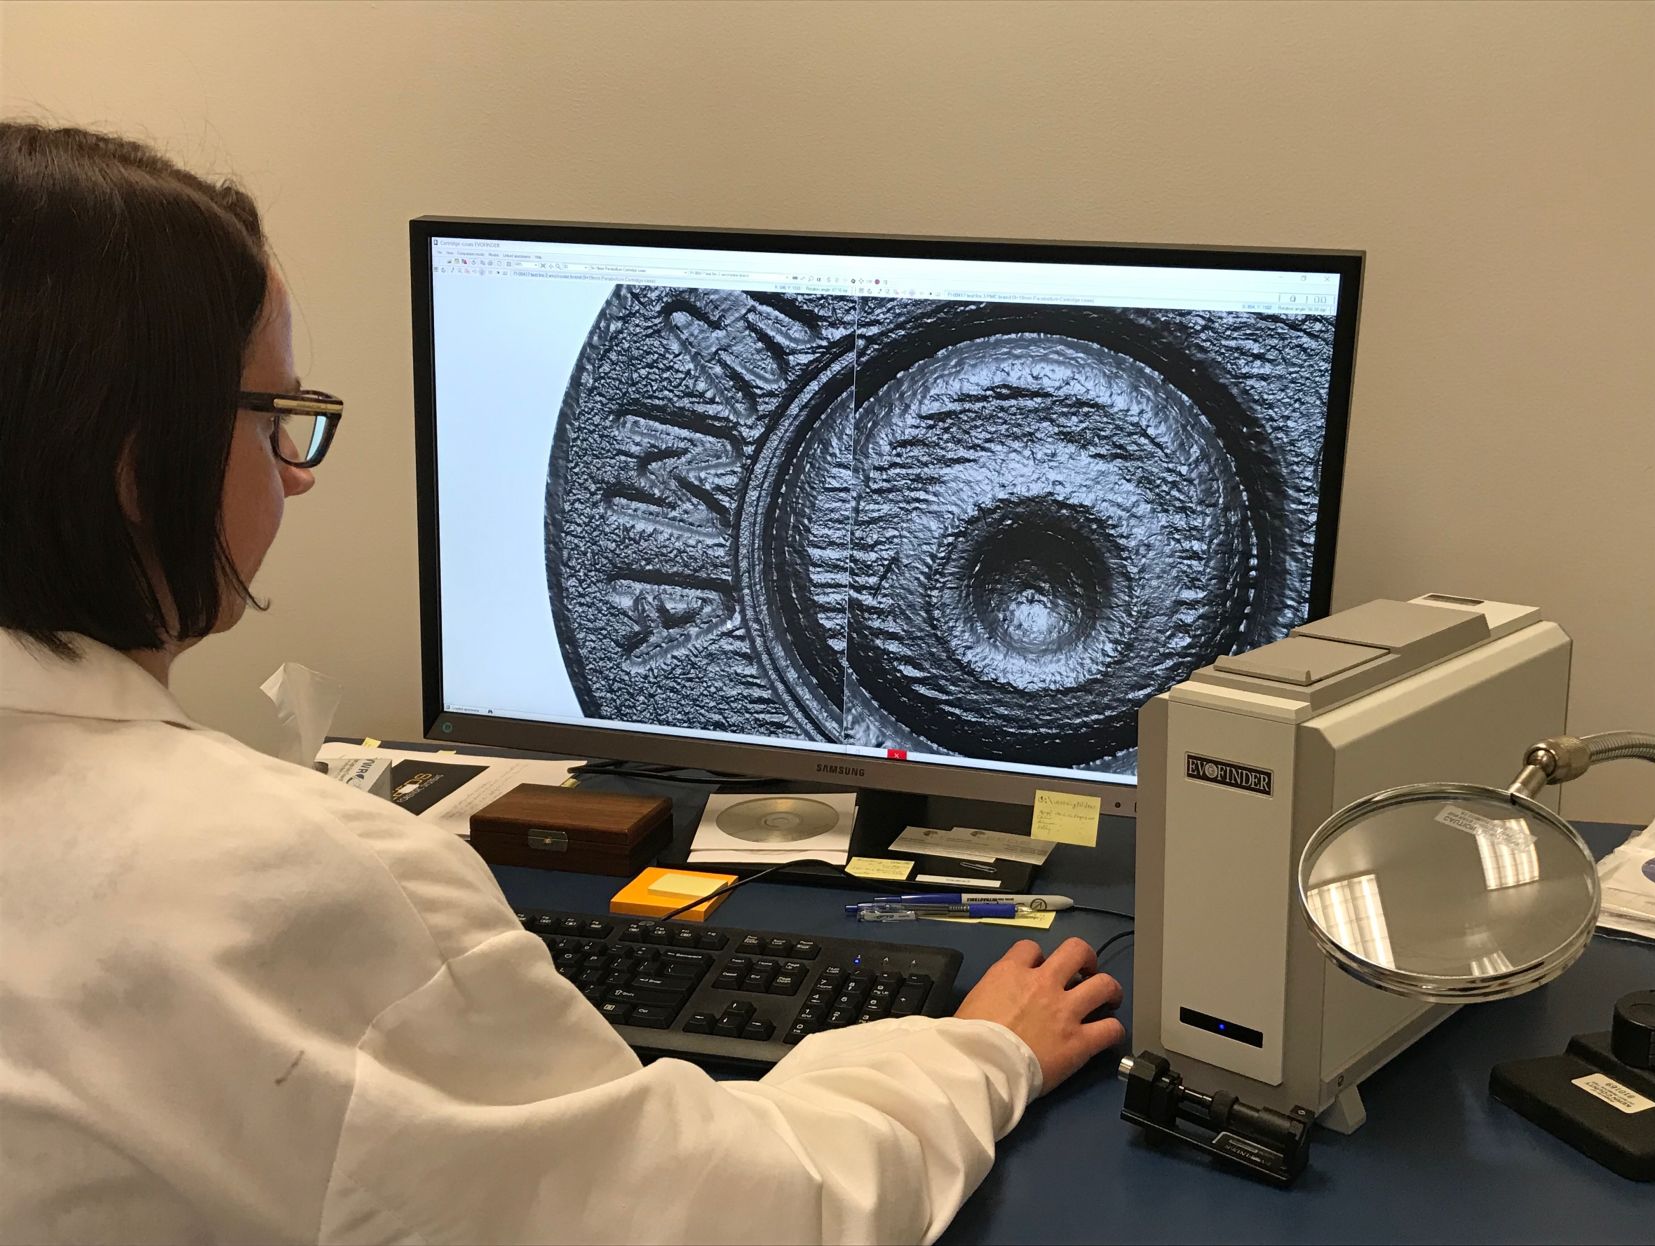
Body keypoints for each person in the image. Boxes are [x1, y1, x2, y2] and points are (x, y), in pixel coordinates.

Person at [0, 122, 1126, 1245]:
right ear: (138, 459)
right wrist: (982, 1052)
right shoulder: (292, 889)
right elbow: (744, 1216)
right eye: (277, 419)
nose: (296, 476)